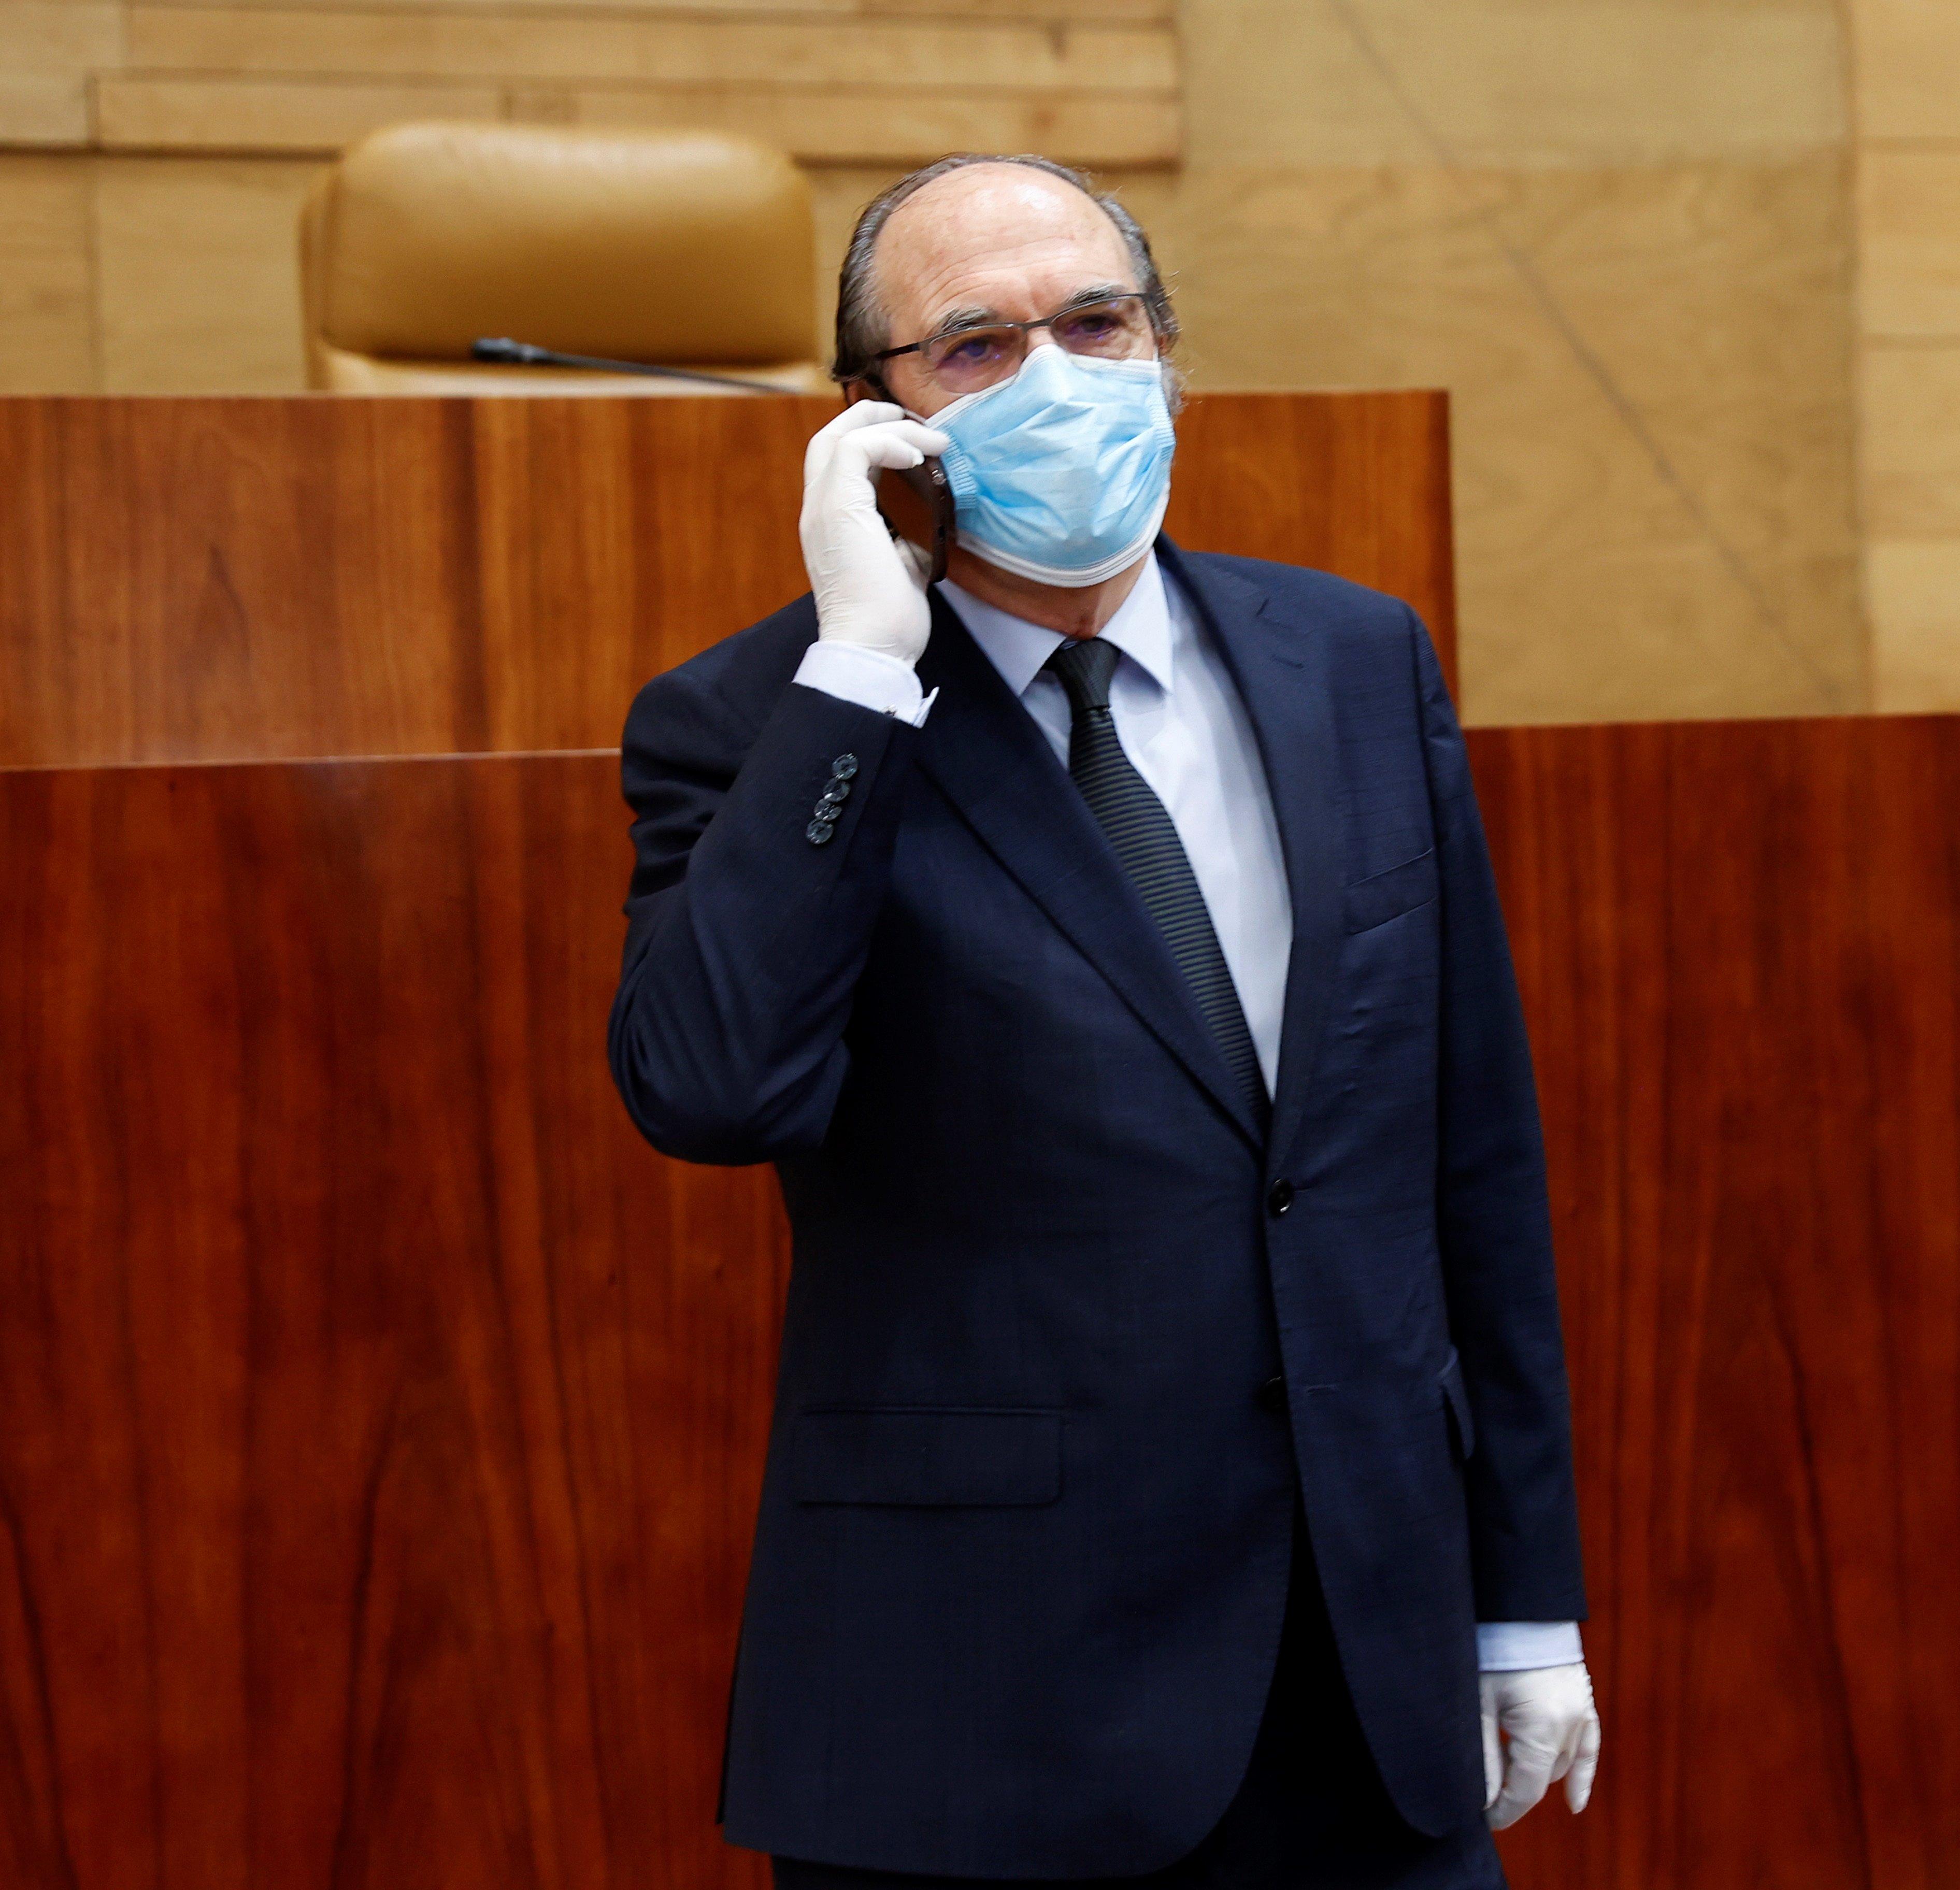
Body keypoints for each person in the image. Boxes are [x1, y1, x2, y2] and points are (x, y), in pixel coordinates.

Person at [607, 153, 1599, 1887]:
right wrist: (860, 658)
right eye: (977, 345)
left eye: (1096, 321)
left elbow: (1467, 1159)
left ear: (1166, 350)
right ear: (875, 418)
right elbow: (712, 1084)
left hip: (1368, 1679)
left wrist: (1523, 1594)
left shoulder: (1357, 660)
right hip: (983, 1705)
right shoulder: (765, 719)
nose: (1057, 375)